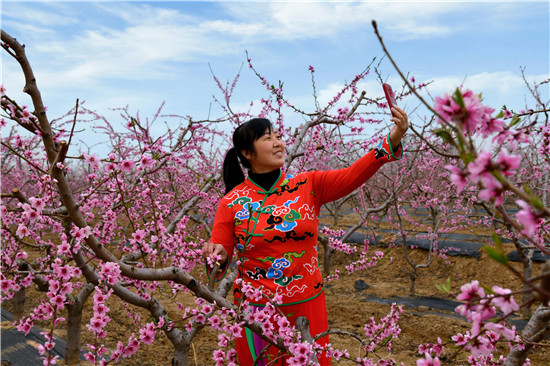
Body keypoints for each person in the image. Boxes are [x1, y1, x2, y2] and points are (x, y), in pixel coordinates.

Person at [203, 106, 409, 365]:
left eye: (278, 136)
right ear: (247, 153)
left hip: (306, 303)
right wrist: (216, 255)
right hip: (256, 309)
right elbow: (220, 254)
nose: (278, 142)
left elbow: (352, 174)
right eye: (268, 138)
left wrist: (392, 139)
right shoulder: (231, 202)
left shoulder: (307, 184)